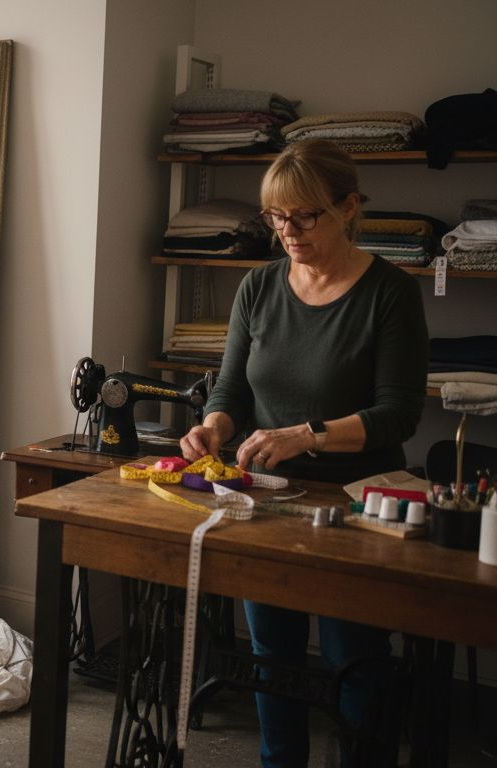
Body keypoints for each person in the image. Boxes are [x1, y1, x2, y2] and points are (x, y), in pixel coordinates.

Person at [180, 139, 428, 768]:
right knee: (273, 664)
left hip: (360, 508)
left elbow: (398, 413)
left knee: (354, 668)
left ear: (349, 207)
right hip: (269, 502)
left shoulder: (389, 294)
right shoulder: (259, 289)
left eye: (305, 216)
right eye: (276, 217)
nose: (287, 231)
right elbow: (232, 387)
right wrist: (213, 426)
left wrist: (305, 434)